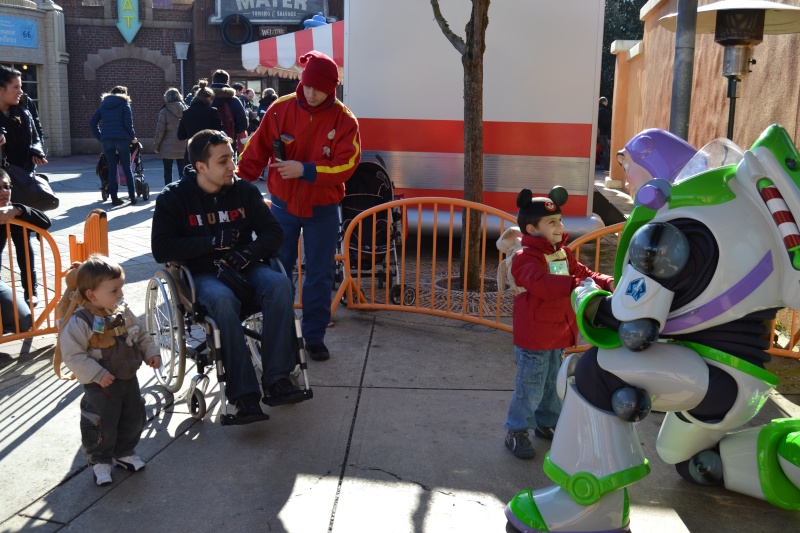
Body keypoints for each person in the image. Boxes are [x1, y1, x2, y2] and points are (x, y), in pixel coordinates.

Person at [504, 124, 800, 532]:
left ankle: (588, 505)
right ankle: (775, 457)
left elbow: (628, 325)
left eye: (628, 166)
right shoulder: (733, 216)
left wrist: (586, 296)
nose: (624, 177)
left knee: (594, 372)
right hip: (739, 381)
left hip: (710, 374)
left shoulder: (670, 231)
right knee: (681, 454)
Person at [151, 129, 308, 423]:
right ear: (201, 166)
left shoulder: (244, 192)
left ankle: (277, 378)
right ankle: (244, 396)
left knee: (279, 284)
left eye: (232, 158)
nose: (232, 166)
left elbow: (274, 233)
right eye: (223, 161)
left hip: (245, 266)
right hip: (202, 274)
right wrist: (210, 243)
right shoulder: (174, 198)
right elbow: (161, 248)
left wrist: (249, 252)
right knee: (223, 300)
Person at [237, 50, 362, 362]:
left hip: (323, 209)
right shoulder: (280, 109)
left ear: (332, 88)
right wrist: (238, 183)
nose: (310, 92)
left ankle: (314, 336)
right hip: (282, 206)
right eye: (306, 86)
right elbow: (256, 150)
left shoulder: (345, 120)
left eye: (318, 88)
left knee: (319, 274)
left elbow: (346, 165)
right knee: (276, 272)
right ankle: (274, 334)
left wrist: (306, 170)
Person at [503, 187, 613, 460]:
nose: (559, 225)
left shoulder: (562, 253)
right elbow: (542, 285)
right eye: (551, 222)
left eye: (560, 220)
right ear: (532, 228)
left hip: (558, 333)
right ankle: (516, 430)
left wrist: (607, 281)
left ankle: (547, 422)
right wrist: (576, 284)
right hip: (535, 337)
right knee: (531, 385)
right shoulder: (524, 258)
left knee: (553, 382)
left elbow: (583, 273)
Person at [58, 254, 161, 486]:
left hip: (128, 377)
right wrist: (96, 374)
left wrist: (150, 352)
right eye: (114, 291)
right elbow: (73, 355)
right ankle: (100, 459)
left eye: (120, 288)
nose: (121, 294)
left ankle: (125, 451)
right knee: (101, 421)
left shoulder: (121, 311)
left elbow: (141, 333)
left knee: (133, 415)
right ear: (92, 295)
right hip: (100, 384)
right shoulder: (80, 321)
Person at [0, 66, 49, 305]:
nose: (21, 91)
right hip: (1, 188)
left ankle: (31, 291)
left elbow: (36, 136)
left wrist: (36, 151)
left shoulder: (24, 109)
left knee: (23, 239)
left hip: (19, 185)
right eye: (16, 87)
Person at [0, 168, 50, 332]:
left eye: (6, 187)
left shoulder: (9, 212)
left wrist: (17, 210)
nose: (4, 192)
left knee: (24, 321)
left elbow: (45, 221)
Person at [89, 86, 138, 206]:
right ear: (123, 94)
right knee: (127, 168)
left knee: (112, 169)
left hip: (107, 140)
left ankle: (114, 198)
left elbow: (93, 122)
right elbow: (128, 124)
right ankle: (132, 197)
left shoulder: (104, 104)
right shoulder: (124, 104)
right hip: (122, 139)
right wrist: (133, 137)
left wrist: (100, 136)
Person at [177, 84, 223, 162]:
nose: (212, 101)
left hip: (192, 151)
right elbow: (218, 131)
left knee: (190, 173)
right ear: (208, 98)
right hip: (208, 150)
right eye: (212, 98)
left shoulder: (186, 113)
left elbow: (180, 135)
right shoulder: (213, 112)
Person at [153, 88, 188, 185]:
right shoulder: (186, 109)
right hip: (183, 144)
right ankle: (183, 190)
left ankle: (168, 190)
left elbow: (160, 131)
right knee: (183, 171)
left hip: (167, 146)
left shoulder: (164, 110)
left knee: (168, 171)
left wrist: (156, 146)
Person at [209, 69, 247, 149]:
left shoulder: (204, 98)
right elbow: (242, 123)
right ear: (227, 82)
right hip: (228, 141)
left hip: (206, 142)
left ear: (213, 81)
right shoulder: (234, 100)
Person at [598, 96, 612, 172]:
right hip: (604, 134)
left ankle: (603, 165)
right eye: (606, 102)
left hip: (600, 133)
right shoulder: (604, 111)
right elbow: (606, 123)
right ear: (603, 102)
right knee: (606, 150)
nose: (607, 103)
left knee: (603, 149)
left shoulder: (598, 110)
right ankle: (606, 167)